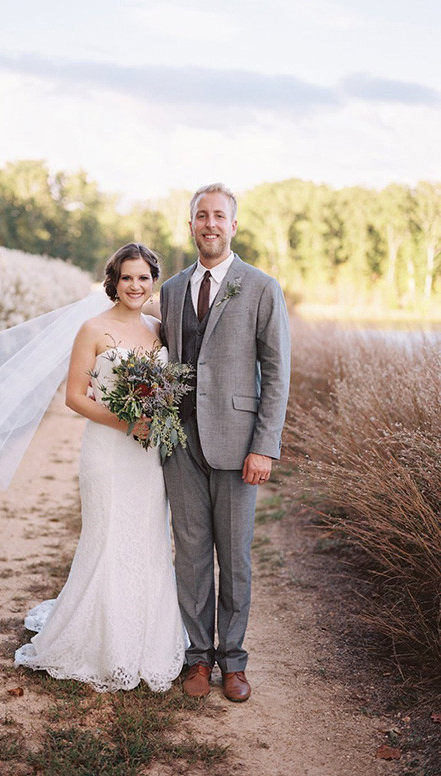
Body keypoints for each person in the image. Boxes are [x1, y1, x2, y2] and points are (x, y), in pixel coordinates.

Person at [14, 244, 186, 692]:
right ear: (114, 281)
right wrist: (129, 422)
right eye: (127, 277)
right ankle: (100, 641)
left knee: (148, 539)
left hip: (148, 456)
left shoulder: (159, 330)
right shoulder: (92, 328)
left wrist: (157, 416)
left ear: (153, 282)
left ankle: (147, 638)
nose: (136, 285)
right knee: (107, 536)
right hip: (108, 452)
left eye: (144, 278)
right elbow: (74, 396)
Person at [159, 184, 291, 702]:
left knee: (234, 559)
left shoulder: (261, 287)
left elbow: (276, 371)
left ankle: (233, 662)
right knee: (191, 556)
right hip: (180, 444)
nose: (209, 224)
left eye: (218, 216)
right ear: (191, 224)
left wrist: (265, 445)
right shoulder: (172, 289)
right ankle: (198, 658)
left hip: (239, 445)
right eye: (201, 216)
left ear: (233, 226)